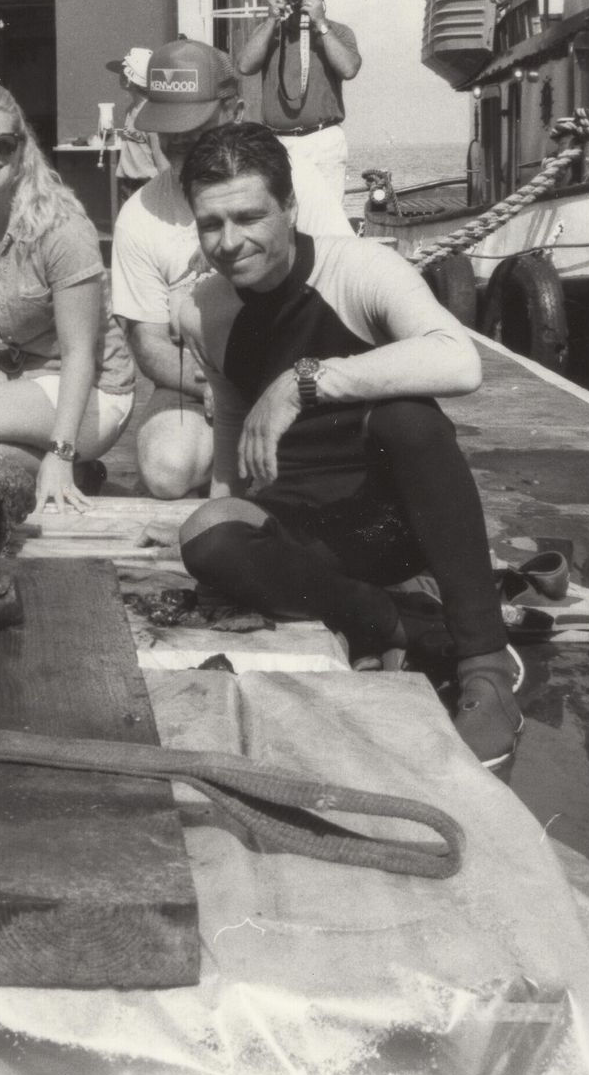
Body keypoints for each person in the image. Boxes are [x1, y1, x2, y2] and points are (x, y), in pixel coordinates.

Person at [168, 122, 524, 769]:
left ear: (290, 207)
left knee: (410, 420)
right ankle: (394, 623)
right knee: (203, 537)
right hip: (307, 527)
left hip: (393, 519)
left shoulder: (360, 269)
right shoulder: (203, 309)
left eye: (249, 217)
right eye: (210, 224)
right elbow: (233, 424)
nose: (228, 242)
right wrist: (223, 530)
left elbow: (460, 361)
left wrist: (304, 382)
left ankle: (486, 663)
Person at [107, 38, 347, 498]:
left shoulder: (295, 179)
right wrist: (218, 385)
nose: (180, 143)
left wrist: (290, 384)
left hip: (297, 365)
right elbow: (148, 343)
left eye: (194, 127)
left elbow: (340, 285)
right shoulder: (139, 216)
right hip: (200, 380)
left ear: (235, 112)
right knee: (166, 469)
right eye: (168, 130)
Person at [0, 82, 137, 514]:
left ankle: (67, 467)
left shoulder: (61, 228)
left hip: (90, 388)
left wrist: (61, 451)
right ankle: (7, 449)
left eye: (1, 143)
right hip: (23, 369)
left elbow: (78, 354)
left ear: (22, 149)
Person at [232, 0, 358, 234]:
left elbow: (349, 68)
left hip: (323, 139)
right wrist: (271, 20)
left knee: (327, 225)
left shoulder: (337, 32)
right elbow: (244, 65)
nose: (299, 0)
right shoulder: (271, 32)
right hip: (279, 141)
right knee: (281, 221)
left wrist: (320, 24)